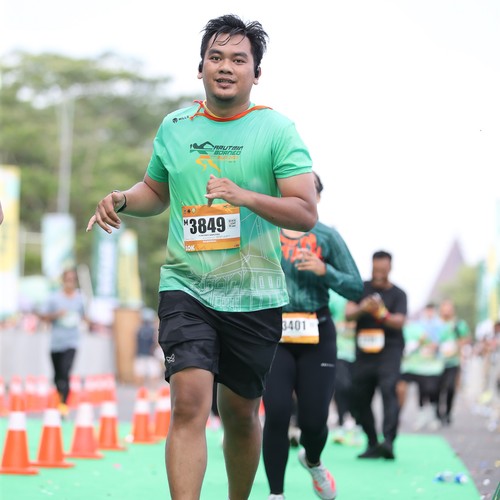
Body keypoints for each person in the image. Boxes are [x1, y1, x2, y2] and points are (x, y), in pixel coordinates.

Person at [86, 14, 317, 500]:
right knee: (189, 403)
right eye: (215, 57)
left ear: (256, 73)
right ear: (200, 68)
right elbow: (155, 191)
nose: (225, 67)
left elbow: (304, 212)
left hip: (254, 294)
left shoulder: (277, 129)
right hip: (186, 286)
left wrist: (244, 196)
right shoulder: (175, 126)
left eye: (238, 59)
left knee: (239, 412)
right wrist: (123, 198)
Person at [262, 172, 363, 500]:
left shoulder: (326, 236)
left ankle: (313, 460)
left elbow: (356, 288)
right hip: (274, 334)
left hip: (317, 335)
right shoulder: (265, 230)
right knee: (277, 412)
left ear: (317, 196)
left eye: (307, 188)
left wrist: (325, 271)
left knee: (315, 420)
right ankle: (276, 493)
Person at [345, 250, 407, 460]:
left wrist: (381, 312)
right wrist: (364, 308)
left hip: (390, 350)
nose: (379, 274)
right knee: (358, 396)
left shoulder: (399, 294)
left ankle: (388, 442)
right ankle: (372, 441)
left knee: (389, 390)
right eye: (375, 269)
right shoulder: (360, 288)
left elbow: (399, 321)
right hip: (364, 352)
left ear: (390, 268)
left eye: (383, 270)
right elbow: (348, 314)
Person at [38, 267, 87, 416]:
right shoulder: (54, 298)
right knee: (57, 375)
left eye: (72, 279)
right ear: (63, 280)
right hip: (56, 343)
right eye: (67, 279)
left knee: (66, 371)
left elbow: (85, 316)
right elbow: (43, 316)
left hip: (72, 342)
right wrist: (56, 315)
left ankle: (64, 404)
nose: (70, 282)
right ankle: (59, 398)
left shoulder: (80, 299)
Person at [436, 298, 471, 425]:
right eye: (444, 309)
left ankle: (448, 412)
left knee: (450, 387)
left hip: (453, 361)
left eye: (449, 309)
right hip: (436, 362)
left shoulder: (458, 324)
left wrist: (456, 344)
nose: (446, 312)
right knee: (437, 389)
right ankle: (438, 413)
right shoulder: (436, 324)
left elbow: (466, 338)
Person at [134, 307, 162, 387]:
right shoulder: (153, 329)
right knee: (154, 373)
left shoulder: (138, 329)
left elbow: (135, 342)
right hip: (151, 355)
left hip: (140, 354)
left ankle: (141, 389)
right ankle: (153, 389)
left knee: (139, 373)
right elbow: (156, 342)